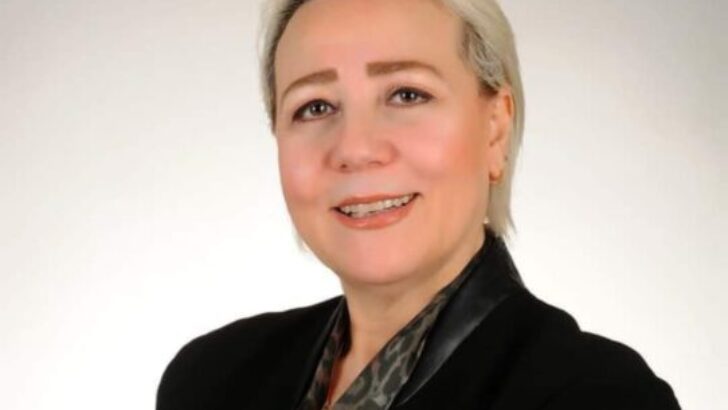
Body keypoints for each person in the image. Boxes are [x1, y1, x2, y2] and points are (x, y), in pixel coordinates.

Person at [157, 0, 681, 408]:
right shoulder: (211, 379)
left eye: (407, 94)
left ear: (495, 128)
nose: (355, 148)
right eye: (314, 107)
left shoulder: (599, 396)